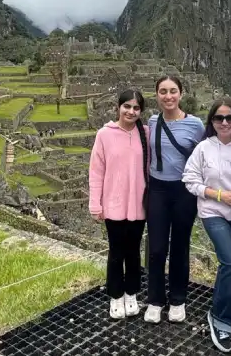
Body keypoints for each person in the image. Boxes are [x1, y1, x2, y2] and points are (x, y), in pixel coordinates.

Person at [182, 97, 231, 352]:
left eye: (230, 117)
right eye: (219, 118)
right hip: (212, 212)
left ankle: (223, 303)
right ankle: (221, 319)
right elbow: (189, 179)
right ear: (212, 121)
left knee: (230, 265)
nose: (224, 122)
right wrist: (218, 194)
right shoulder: (203, 149)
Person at [144, 75, 205, 324]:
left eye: (173, 91)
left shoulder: (195, 125)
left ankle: (178, 299)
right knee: (157, 248)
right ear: (157, 95)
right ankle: (155, 299)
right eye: (162, 91)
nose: (168, 96)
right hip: (157, 189)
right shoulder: (152, 121)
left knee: (180, 246)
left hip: (183, 191)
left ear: (181, 93)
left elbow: (204, 157)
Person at [88, 89, 150, 319]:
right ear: (118, 107)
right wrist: (95, 204)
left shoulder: (145, 133)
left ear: (141, 111)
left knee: (133, 252)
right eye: (127, 106)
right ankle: (115, 296)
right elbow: (96, 171)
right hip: (113, 205)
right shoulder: (104, 134)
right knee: (116, 253)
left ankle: (132, 293)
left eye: (136, 108)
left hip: (138, 206)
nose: (131, 111)